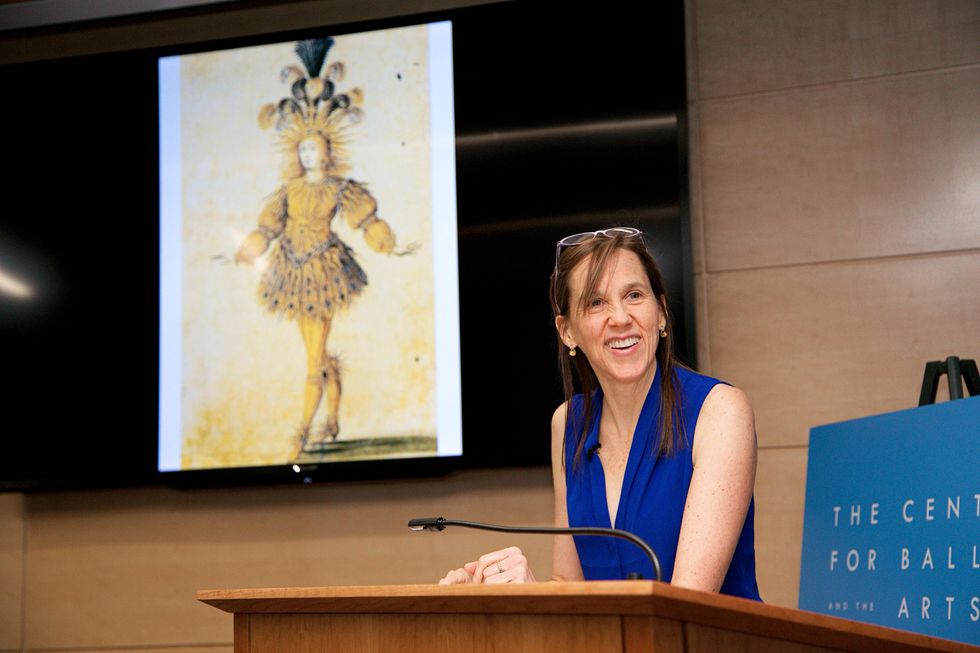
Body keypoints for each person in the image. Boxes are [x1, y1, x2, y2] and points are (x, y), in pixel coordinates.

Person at [439, 227, 761, 600]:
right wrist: (506, 592)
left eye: (634, 295)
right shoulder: (568, 424)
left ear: (660, 313)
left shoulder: (720, 411)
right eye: (596, 303)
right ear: (567, 332)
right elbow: (571, 588)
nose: (621, 317)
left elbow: (688, 605)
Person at [235, 37, 415, 459]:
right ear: (297, 153)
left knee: (313, 354)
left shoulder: (339, 188)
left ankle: (302, 432)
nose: (309, 152)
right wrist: (244, 250)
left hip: (324, 270)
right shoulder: (290, 189)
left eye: (315, 146)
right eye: (303, 148)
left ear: (327, 150)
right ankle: (332, 418)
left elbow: (366, 221)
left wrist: (389, 246)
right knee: (314, 350)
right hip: (291, 270)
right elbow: (269, 225)